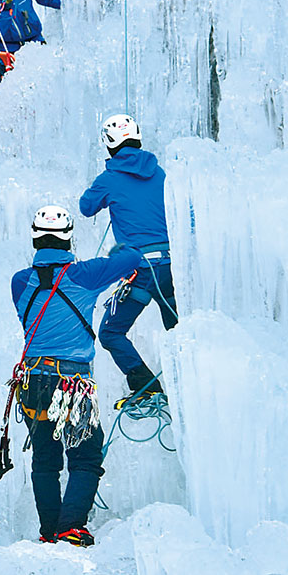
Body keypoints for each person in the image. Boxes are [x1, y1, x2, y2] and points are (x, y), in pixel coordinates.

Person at [10, 205, 143, 547]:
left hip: (32, 382)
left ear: (35, 238)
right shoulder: (84, 274)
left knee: (45, 458)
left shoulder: (19, 281)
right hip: (71, 383)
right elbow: (132, 260)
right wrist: (120, 250)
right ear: (68, 237)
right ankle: (71, 526)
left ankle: (50, 530)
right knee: (85, 455)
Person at [79, 114, 179, 402]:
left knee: (111, 333)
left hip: (141, 269)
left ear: (109, 145)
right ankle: (188, 386)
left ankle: (147, 389)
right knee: (176, 331)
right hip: (170, 268)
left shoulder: (109, 179)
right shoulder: (160, 173)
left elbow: (86, 207)